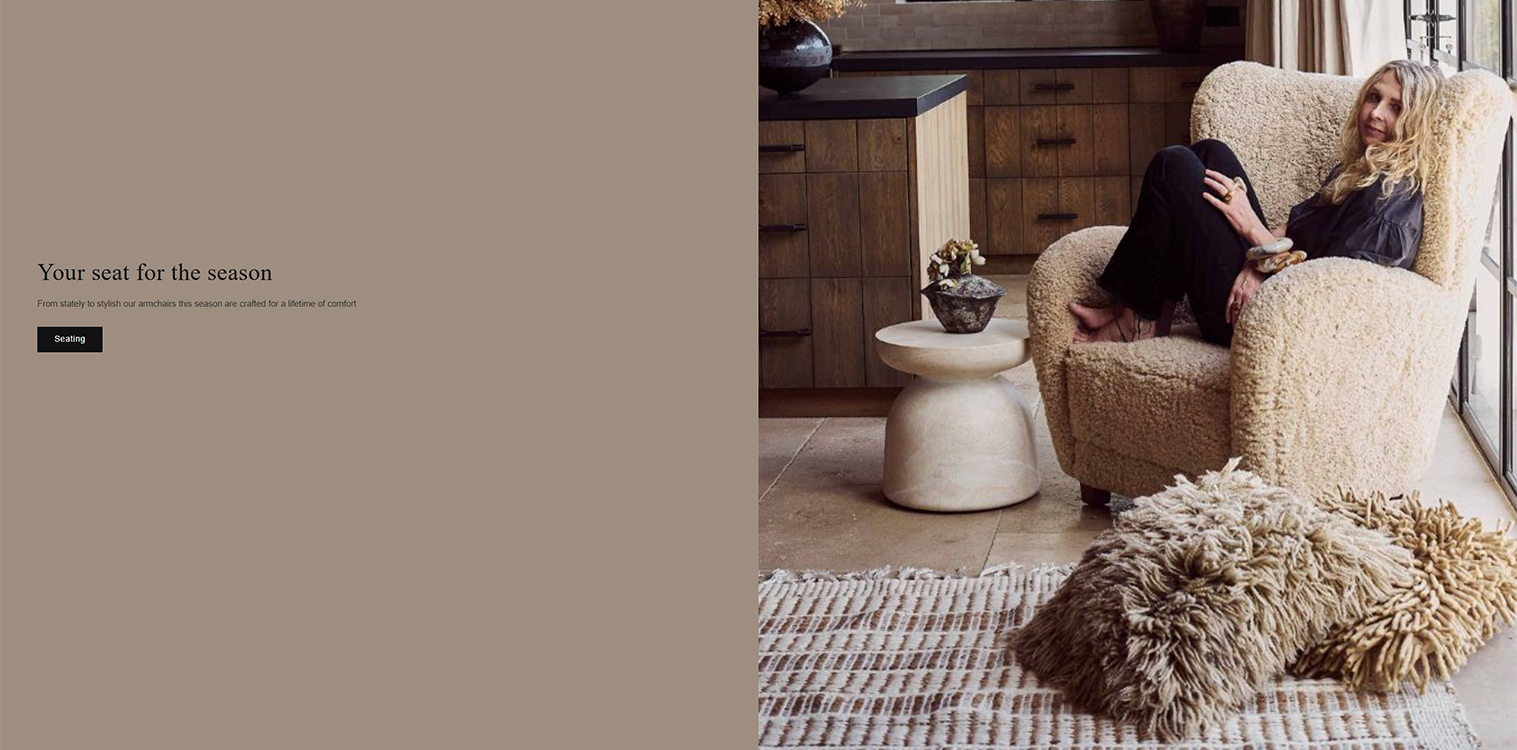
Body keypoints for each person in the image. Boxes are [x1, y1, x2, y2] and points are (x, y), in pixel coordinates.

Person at [1069, 59, 1444, 347]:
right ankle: (1145, 313)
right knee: (1211, 153)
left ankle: (1135, 320)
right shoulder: (1361, 171)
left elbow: (1325, 302)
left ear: (1416, 123)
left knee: (1173, 165)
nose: (1376, 112)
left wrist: (1253, 234)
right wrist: (1258, 260)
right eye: (1374, 97)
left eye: (1395, 107)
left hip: (1274, 324)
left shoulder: (1388, 210)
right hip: (1273, 283)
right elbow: (1296, 231)